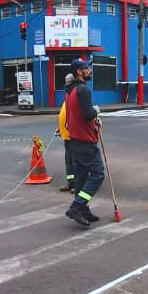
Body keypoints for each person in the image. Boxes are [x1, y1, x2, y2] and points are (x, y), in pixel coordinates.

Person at [64, 58, 105, 227]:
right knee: (97, 174)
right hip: (85, 141)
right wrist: (96, 111)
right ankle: (77, 206)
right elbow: (87, 114)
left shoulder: (71, 90)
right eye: (87, 68)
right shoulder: (82, 90)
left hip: (76, 140)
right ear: (79, 72)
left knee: (81, 177)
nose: (90, 70)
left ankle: (82, 208)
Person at [57, 73, 76, 193]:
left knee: (75, 161)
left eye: (68, 82)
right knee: (69, 161)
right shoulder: (68, 95)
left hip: (75, 136)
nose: (66, 85)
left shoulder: (76, 94)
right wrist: (60, 127)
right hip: (67, 136)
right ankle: (71, 183)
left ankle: (77, 184)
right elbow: (65, 114)